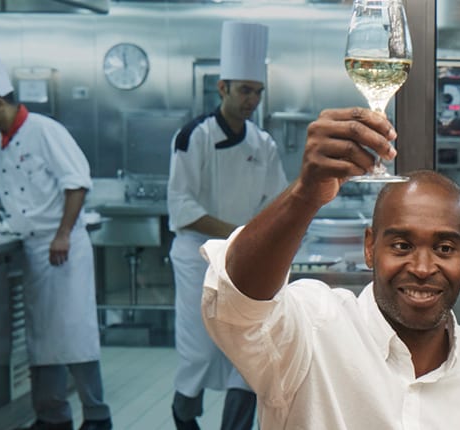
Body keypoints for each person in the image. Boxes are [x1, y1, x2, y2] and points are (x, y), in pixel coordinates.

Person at [197, 107, 460, 429]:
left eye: (444, 248)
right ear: (370, 247)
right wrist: (305, 194)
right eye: (401, 246)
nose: (421, 267)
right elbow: (236, 302)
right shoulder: (313, 331)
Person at [0, 47, 112, 430]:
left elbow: (77, 184)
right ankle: (52, 418)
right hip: (36, 251)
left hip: (63, 251)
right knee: (43, 342)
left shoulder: (45, 131)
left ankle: (98, 417)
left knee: (74, 336)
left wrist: (63, 235)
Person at [167, 21, 285, 430]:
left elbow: (276, 202)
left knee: (248, 350)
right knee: (198, 352)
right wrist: (241, 232)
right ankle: (184, 418)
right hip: (197, 257)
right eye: (244, 90)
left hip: (245, 260)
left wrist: (266, 238)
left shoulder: (263, 144)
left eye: (258, 91)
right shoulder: (192, 137)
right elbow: (182, 206)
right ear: (222, 89)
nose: (252, 100)